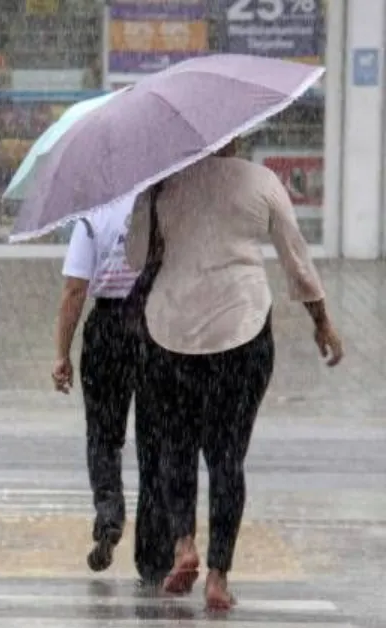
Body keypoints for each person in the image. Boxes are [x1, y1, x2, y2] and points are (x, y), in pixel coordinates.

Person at [125, 139, 343, 610]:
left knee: (176, 445)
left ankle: (184, 544)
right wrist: (321, 321)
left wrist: (152, 201)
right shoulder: (261, 181)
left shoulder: (166, 184)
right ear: (238, 136)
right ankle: (219, 577)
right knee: (227, 457)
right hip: (242, 328)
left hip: (173, 329)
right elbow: (296, 259)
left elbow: (136, 257)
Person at [52, 194, 171, 584]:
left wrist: (62, 353)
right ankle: (154, 553)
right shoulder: (163, 206)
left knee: (104, 436)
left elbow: (74, 290)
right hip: (155, 327)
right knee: (155, 441)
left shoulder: (93, 217)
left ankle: (108, 517)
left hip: (107, 329)